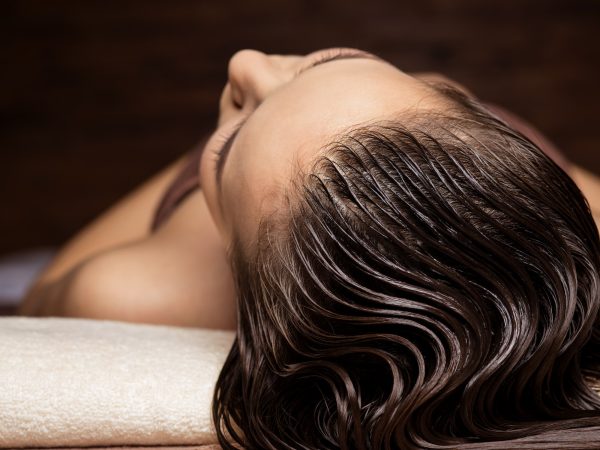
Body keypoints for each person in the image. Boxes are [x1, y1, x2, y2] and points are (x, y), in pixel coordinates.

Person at [17, 47, 600, 448]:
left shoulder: (135, 293)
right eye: (336, 59)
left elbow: (39, 297)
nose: (245, 62)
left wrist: (219, 157)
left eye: (232, 142)